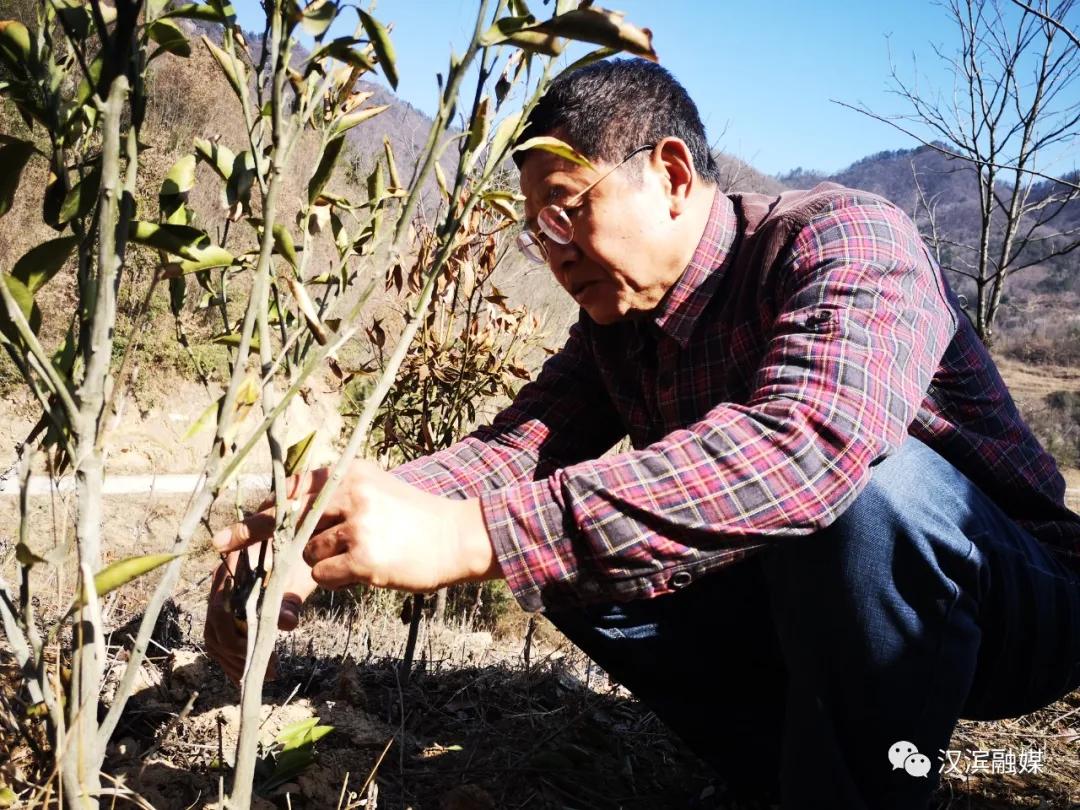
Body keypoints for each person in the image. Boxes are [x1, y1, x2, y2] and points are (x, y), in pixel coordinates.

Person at [205, 58, 1080, 808]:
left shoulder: (843, 239)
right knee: (579, 561)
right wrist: (332, 516)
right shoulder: (618, 328)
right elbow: (514, 453)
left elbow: (805, 445)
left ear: (668, 174)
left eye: (565, 210)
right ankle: (779, 771)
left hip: (1014, 599)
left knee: (864, 496)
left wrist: (479, 534)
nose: (550, 250)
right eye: (533, 228)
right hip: (804, 600)